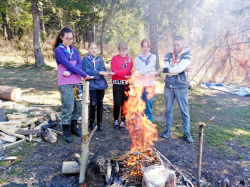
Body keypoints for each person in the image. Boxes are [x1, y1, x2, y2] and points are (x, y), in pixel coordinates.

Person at [54, 27, 91, 143]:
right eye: (67, 38)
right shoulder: (58, 50)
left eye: (71, 38)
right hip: (65, 83)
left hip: (76, 81)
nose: (69, 41)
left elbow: (78, 64)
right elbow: (67, 64)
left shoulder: (74, 50)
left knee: (78, 105)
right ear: (62, 38)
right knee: (68, 105)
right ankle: (66, 130)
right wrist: (84, 74)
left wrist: (70, 72)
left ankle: (74, 127)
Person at [157, 36, 193, 143]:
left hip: (181, 86)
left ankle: (187, 132)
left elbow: (175, 69)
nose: (176, 47)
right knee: (168, 110)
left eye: (178, 45)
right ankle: (168, 130)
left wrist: (176, 69)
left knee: (184, 111)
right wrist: (181, 69)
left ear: (182, 44)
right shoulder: (168, 55)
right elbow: (168, 71)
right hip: (169, 86)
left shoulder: (187, 54)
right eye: (174, 45)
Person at [82, 42, 110, 132]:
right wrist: (98, 73)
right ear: (88, 49)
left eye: (95, 48)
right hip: (91, 86)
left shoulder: (100, 59)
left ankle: (100, 123)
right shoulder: (85, 59)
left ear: (97, 49)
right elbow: (86, 71)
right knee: (93, 103)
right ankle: (91, 122)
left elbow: (104, 71)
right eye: (91, 48)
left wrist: (95, 76)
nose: (93, 50)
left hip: (101, 85)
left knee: (100, 104)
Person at [111, 43, 133, 130]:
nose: (122, 53)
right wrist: (120, 73)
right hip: (116, 83)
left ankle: (123, 121)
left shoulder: (129, 60)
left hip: (126, 83)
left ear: (126, 50)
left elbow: (127, 70)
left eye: (123, 51)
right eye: (120, 51)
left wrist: (116, 73)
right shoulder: (114, 58)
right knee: (117, 102)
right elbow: (113, 69)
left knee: (124, 102)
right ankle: (116, 120)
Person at [134, 38, 156, 122]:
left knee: (148, 106)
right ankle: (138, 125)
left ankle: (149, 124)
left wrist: (141, 72)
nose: (145, 49)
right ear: (141, 47)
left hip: (149, 85)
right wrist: (148, 72)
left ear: (150, 47)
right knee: (138, 106)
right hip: (139, 85)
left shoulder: (153, 57)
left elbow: (150, 69)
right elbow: (142, 73)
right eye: (144, 47)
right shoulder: (137, 59)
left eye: (147, 47)